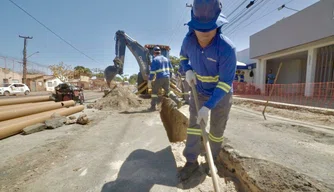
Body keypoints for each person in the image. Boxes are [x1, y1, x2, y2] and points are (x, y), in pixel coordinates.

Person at [178, 0, 237, 181]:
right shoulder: (188, 41)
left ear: (218, 25)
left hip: (221, 95)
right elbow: (182, 58)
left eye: (208, 30)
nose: (203, 35)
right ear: (193, 25)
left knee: (217, 130)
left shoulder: (227, 49)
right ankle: (191, 161)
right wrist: (186, 69)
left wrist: (209, 106)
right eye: (199, 30)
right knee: (194, 127)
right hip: (200, 91)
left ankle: (212, 160)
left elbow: (225, 83)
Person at [148, 46, 182, 111]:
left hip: (159, 78)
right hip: (167, 78)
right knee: (168, 91)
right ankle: (178, 101)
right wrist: (169, 76)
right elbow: (172, 69)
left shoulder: (155, 60)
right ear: (160, 52)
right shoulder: (167, 59)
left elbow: (152, 72)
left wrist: (150, 80)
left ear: (154, 53)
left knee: (154, 92)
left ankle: (153, 107)